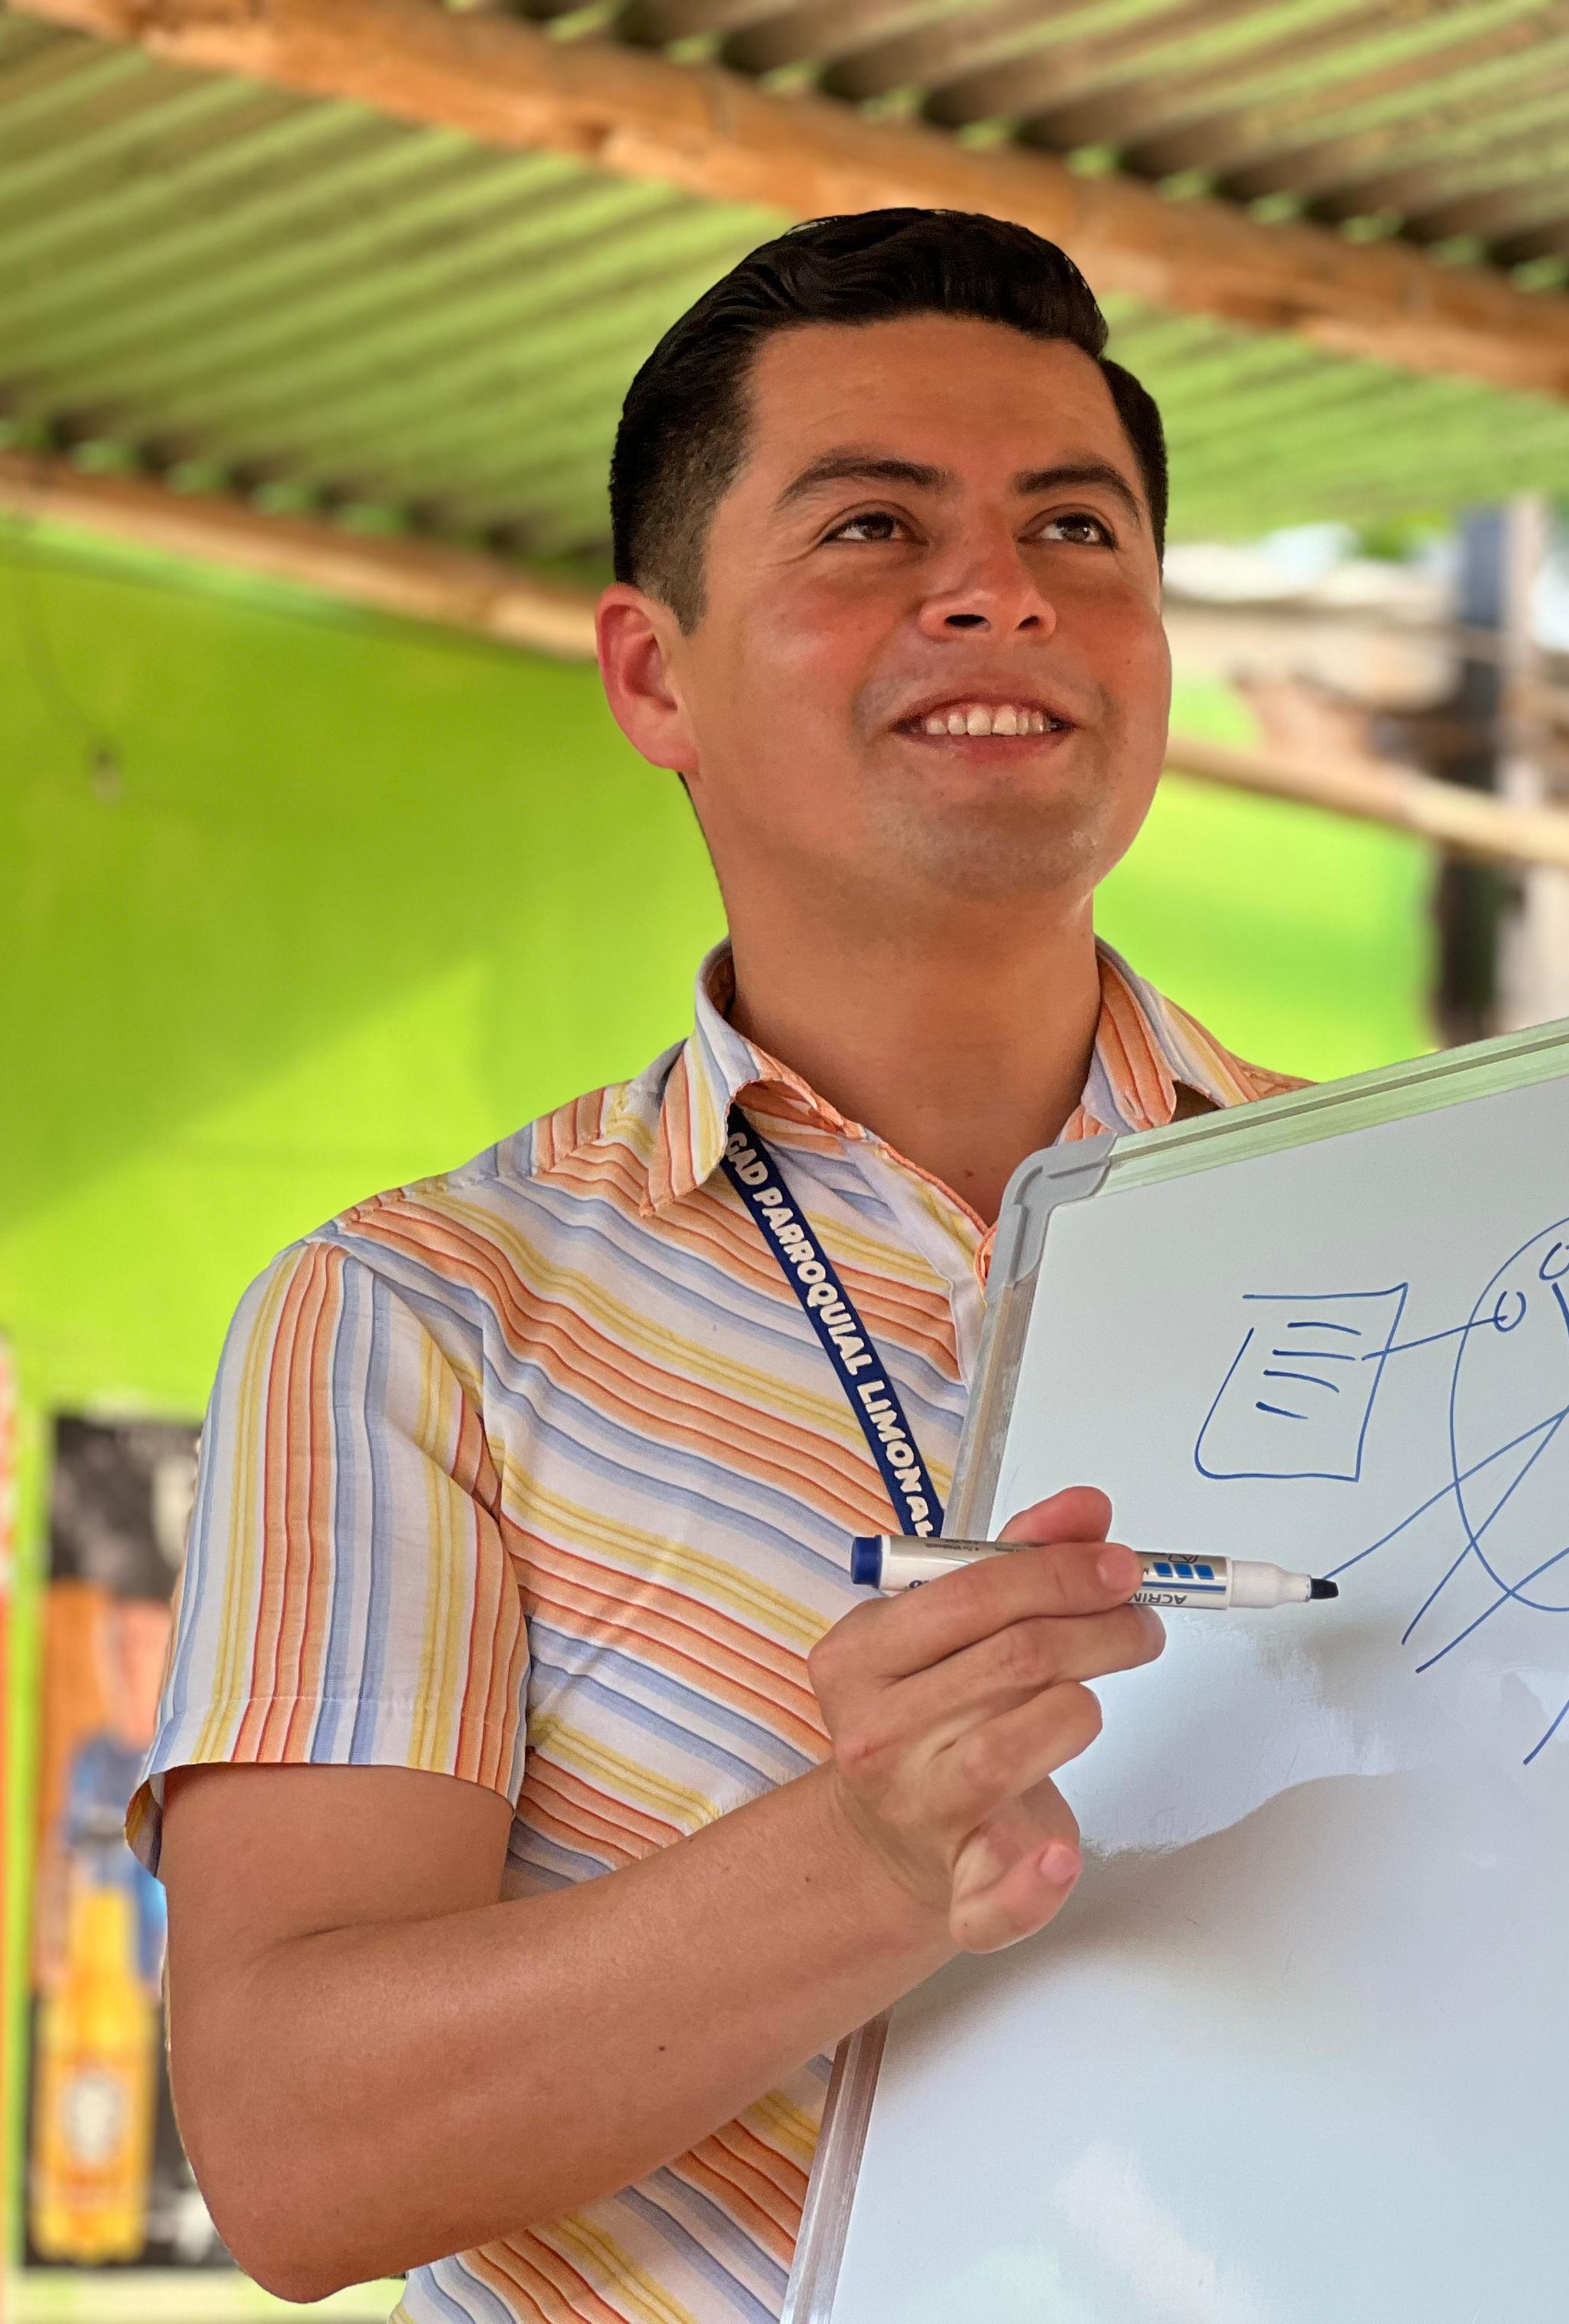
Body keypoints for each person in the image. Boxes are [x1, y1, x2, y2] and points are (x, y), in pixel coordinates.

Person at [132, 208, 1300, 2324]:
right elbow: (294, 2152)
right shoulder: (419, 1320)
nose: (1002, 590)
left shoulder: (1423, 1217)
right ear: (652, 673)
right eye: (872, 527)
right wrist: (868, 1858)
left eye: (1077, 527)